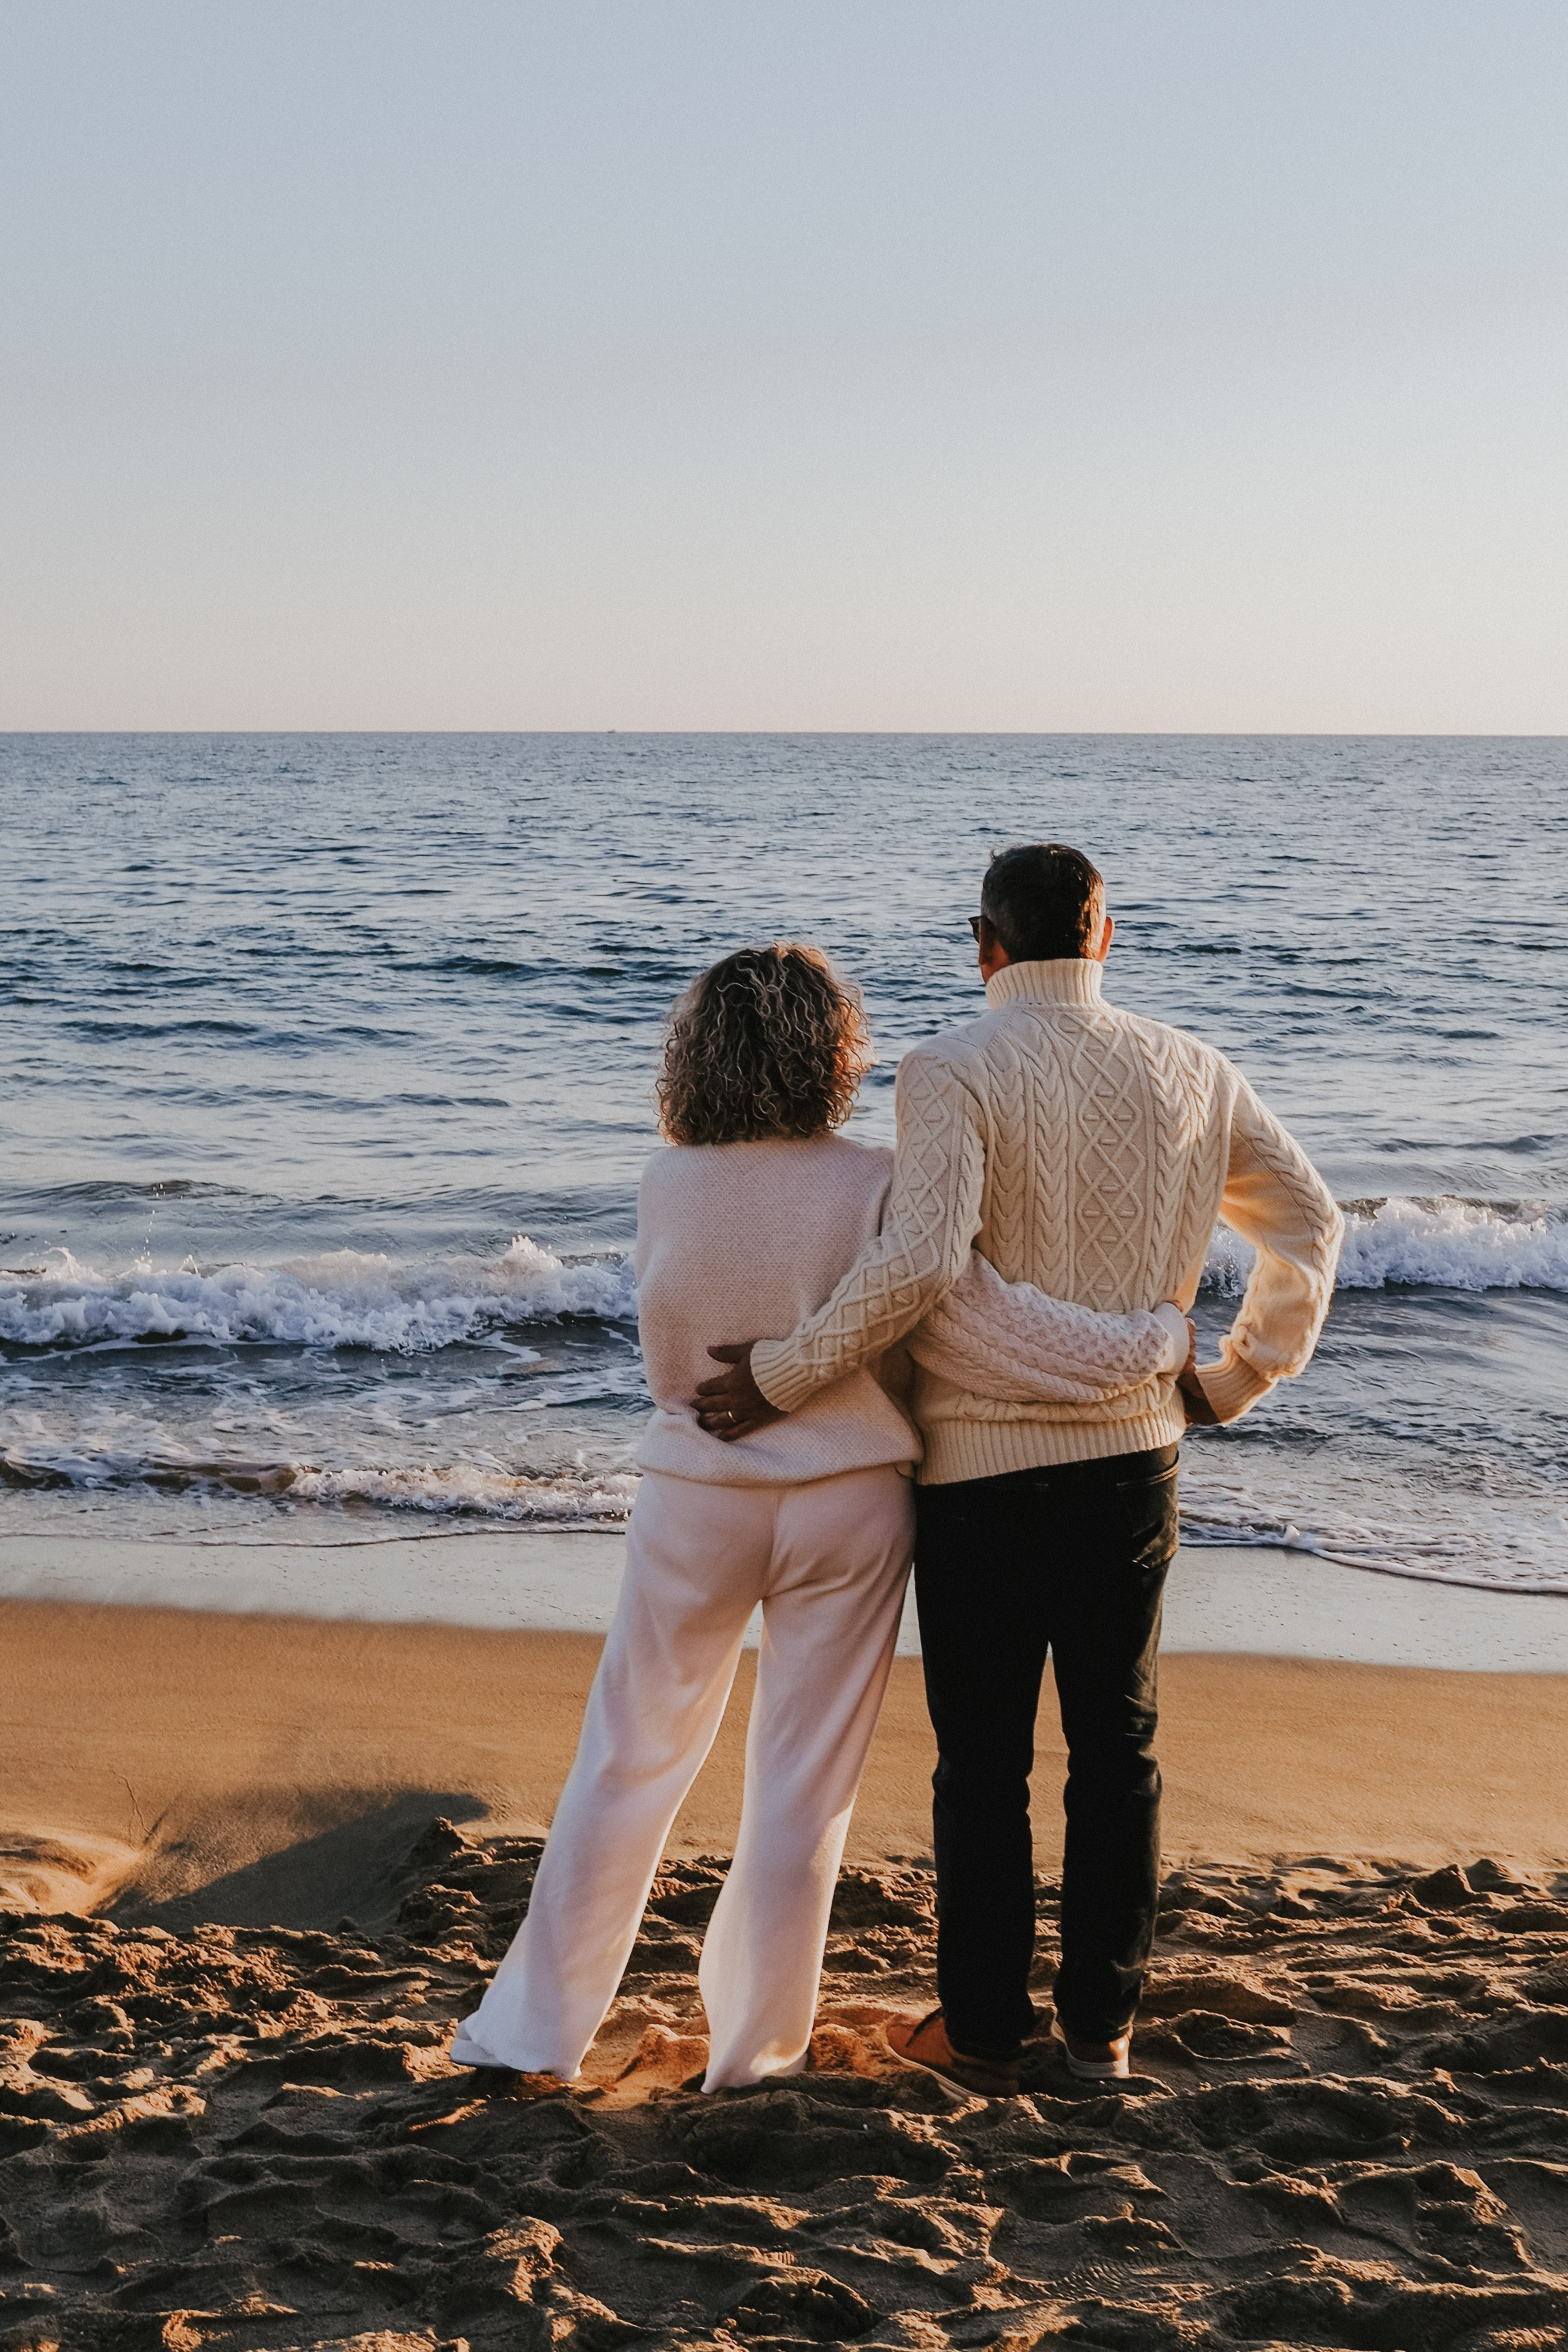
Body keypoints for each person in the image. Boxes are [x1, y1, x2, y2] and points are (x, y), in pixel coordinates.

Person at [451, 942, 1192, 2092]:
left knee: (626, 1763)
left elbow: (666, 1345)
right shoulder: (880, 1180)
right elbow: (920, 1323)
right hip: (851, 1497)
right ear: (834, 1055)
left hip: (699, 1496)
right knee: (802, 1788)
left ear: (697, 1055)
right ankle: (756, 2053)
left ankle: (532, 2036)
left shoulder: (666, 1180)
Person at [696, 846, 1344, 2095]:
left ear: (982, 942)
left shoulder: (950, 1066)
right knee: (1119, 1750)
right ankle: (1101, 2032)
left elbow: (920, 1262)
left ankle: (986, 2030)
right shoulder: (1194, 1069)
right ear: (1104, 934)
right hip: (1131, 1464)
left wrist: (784, 1372)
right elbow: (1311, 1224)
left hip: (979, 1479)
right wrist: (1234, 1376)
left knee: (983, 1765)